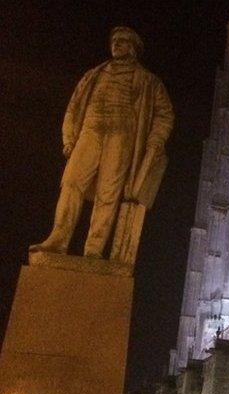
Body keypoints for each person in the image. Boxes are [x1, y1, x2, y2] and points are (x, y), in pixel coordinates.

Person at [30, 26, 174, 261]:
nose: (116, 44)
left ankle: (94, 250)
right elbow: (74, 107)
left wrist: (156, 140)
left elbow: (165, 114)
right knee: (71, 182)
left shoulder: (148, 81)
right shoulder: (94, 75)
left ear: (134, 48)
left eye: (123, 41)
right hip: (91, 131)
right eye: (115, 40)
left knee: (108, 194)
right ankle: (58, 239)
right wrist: (69, 138)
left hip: (122, 137)